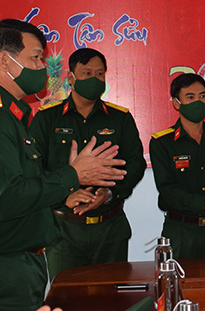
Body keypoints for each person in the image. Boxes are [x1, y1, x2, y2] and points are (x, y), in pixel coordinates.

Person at [0, 19, 127, 311]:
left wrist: (65, 190)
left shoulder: (9, 114)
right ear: (6, 61)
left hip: (13, 263)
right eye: (35, 57)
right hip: (0, 268)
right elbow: (7, 200)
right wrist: (74, 174)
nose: (43, 66)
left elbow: (22, 188)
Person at [30, 48, 147, 279]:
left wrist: (110, 193)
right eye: (86, 73)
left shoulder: (120, 118)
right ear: (71, 78)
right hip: (64, 230)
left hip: (110, 228)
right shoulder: (47, 118)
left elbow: (135, 164)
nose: (94, 79)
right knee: (66, 300)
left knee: (111, 300)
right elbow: (34, 170)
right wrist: (64, 196)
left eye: (100, 73)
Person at [150, 73, 205, 259]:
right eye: (190, 97)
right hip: (181, 231)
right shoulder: (162, 142)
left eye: (202, 96)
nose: (198, 102)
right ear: (176, 103)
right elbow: (167, 189)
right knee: (177, 287)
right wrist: (202, 203)